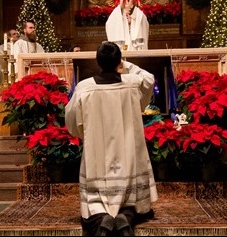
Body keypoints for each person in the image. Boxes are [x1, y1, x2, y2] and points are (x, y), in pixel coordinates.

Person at [65, 41, 158, 236]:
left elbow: (72, 121)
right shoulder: (132, 83)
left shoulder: (85, 87)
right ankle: (125, 216)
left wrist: (85, 134)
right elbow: (149, 79)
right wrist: (126, 63)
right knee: (130, 201)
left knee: (95, 202)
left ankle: (101, 219)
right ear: (118, 62)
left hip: (97, 155)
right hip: (127, 153)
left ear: (98, 61)